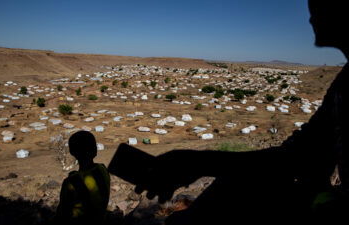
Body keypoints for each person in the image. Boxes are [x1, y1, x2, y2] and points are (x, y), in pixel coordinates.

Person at [134, 0, 349, 223]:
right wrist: (194, 162)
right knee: (236, 180)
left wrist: (195, 162)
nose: (310, 17)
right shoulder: (344, 83)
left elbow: (296, 157)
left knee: (238, 184)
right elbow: (299, 154)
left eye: (317, 4)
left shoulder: (344, 84)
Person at [55, 131, 110, 225]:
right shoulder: (103, 169)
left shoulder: (71, 183)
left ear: (72, 152)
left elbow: (62, 214)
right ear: (95, 150)